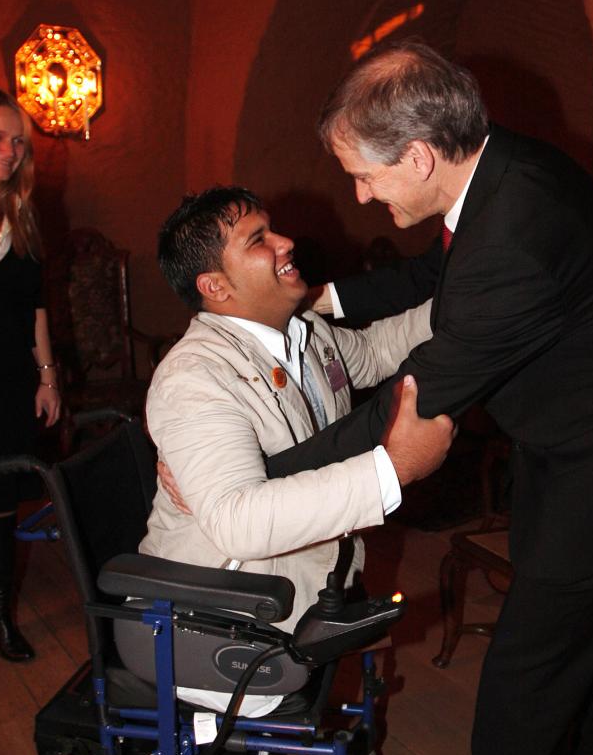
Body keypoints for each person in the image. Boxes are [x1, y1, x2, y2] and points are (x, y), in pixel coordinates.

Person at [264, 41, 593, 755]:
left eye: (362, 175)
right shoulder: (499, 166)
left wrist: (270, 476)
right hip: (591, 445)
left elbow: (410, 406)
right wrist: (327, 302)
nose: (359, 196)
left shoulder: (515, 239)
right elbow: (438, 272)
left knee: (524, 674)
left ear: (419, 155)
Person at [141, 185, 452, 708]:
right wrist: (392, 469)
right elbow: (238, 521)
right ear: (214, 285)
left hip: (305, 585)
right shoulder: (193, 379)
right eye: (259, 239)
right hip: (227, 617)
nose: (286, 242)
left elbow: (374, 351)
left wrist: (463, 302)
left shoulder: (301, 329)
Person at [0, 86, 61, 683]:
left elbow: (35, 307)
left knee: (0, 502)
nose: (9, 149)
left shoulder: (22, 218)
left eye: (17, 140)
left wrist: (47, 377)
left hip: (9, 386)